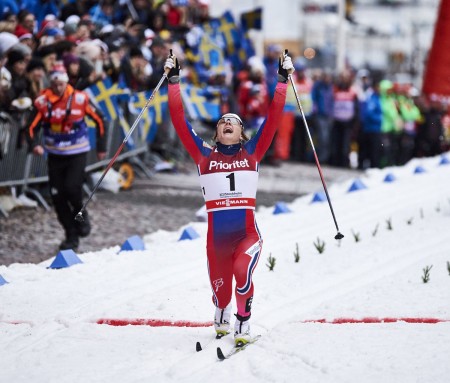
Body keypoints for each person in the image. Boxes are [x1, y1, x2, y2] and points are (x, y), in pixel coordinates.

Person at [165, 49, 294, 346]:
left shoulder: (252, 153)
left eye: (233, 121)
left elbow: (273, 118)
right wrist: (173, 81)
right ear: (218, 132)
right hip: (217, 240)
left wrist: (282, 80)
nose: (227, 122)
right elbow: (179, 120)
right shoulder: (204, 156)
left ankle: (243, 323)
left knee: (242, 274)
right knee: (221, 292)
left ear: (240, 133)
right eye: (223, 120)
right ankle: (221, 310)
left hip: (246, 234)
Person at [26, 62, 107, 250]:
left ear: (67, 82)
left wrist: (101, 147)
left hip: (77, 152)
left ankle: (81, 214)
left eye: (61, 83)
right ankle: (70, 235)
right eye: (54, 84)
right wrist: (35, 145)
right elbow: (30, 127)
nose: (58, 87)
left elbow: (100, 119)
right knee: (57, 196)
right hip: (55, 154)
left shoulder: (80, 99)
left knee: (71, 189)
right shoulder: (42, 102)